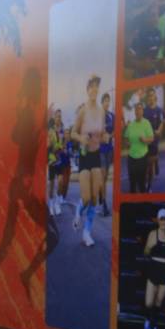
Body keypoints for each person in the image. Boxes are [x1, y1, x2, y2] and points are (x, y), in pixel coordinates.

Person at [71, 75, 107, 248]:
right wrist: (81, 138)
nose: (94, 89)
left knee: (94, 198)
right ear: (87, 90)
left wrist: (105, 137)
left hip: (96, 155)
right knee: (85, 198)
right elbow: (73, 133)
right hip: (85, 156)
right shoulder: (83, 110)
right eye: (91, 86)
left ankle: (87, 233)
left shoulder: (101, 111)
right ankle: (78, 211)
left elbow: (103, 132)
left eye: (96, 86)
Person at [143, 208, 165, 329]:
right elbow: (146, 252)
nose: (163, 222)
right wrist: (149, 246)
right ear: (158, 220)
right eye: (161, 219)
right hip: (153, 269)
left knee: (158, 303)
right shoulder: (153, 234)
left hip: (164, 272)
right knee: (149, 303)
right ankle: (148, 319)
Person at [123, 102, 155, 194]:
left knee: (141, 184)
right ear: (135, 112)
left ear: (142, 111)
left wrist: (145, 139)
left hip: (142, 157)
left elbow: (151, 138)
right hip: (131, 158)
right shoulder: (131, 124)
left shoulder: (146, 123)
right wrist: (127, 143)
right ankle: (133, 201)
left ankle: (143, 200)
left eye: (140, 109)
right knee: (132, 184)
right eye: (136, 109)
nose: (138, 111)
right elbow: (125, 138)